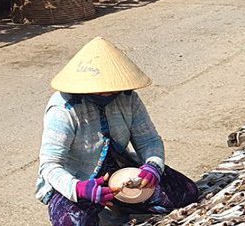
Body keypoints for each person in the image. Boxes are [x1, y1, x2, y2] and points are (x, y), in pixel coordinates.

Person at [36, 37, 199, 225]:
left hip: (120, 172)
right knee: (75, 222)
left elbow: (148, 141)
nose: (108, 93)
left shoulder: (128, 98)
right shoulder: (64, 109)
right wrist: (80, 188)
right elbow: (50, 165)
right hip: (78, 179)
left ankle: (120, 203)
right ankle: (105, 203)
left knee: (186, 192)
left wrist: (152, 166)